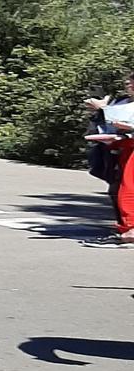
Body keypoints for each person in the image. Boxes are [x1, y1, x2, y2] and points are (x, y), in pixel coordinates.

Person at [82, 74, 134, 245]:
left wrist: (104, 109)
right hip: (120, 149)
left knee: (128, 190)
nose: (129, 84)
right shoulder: (123, 101)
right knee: (119, 189)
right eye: (128, 82)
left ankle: (130, 229)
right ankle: (127, 227)